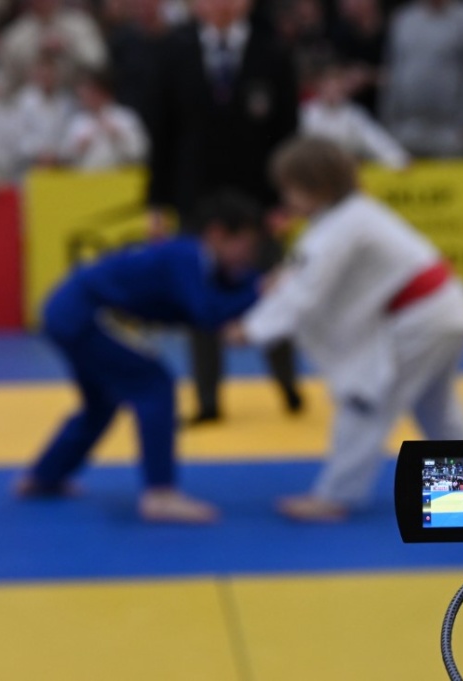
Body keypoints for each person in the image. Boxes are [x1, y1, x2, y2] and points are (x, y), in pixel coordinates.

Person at [225, 137, 463, 522]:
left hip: (423, 319)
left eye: (290, 188)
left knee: (367, 400)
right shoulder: (349, 216)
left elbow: (305, 294)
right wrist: (282, 281)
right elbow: (308, 277)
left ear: (317, 186)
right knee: (437, 411)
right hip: (442, 312)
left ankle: (335, 496)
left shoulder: (342, 226)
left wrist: (250, 329)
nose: (285, 198)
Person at [16, 193, 266, 524]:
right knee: (153, 384)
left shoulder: (198, 259)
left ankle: (43, 477)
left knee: (101, 403)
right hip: (84, 314)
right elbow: (207, 314)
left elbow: (225, 292)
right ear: (218, 234)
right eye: (246, 245)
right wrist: (260, 292)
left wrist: (258, 287)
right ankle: (160, 494)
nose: (249, 255)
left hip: (71, 310)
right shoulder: (186, 257)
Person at [146, 0, 302, 425]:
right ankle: (207, 399)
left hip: (258, 199)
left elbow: (288, 132)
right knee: (199, 300)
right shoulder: (174, 52)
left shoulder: (272, 52)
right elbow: (162, 134)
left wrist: (286, 200)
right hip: (195, 198)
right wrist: (157, 204)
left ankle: (288, 385)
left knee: (272, 290)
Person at [380, 0, 463, 158]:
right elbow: (392, 69)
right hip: (406, 129)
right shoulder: (405, 20)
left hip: (449, 131)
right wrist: (388, 120)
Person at [301, 62, 410, 169]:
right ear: (319, 87)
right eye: (328, 85)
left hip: (345, 169)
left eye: (337, 85)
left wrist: (398, 158)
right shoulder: (307, 113)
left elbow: (375, 139)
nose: (333, 90)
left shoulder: (353, 114)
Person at [0, 0, 107, 91]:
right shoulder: (15, 34)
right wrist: (35, 51)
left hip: (76, 99)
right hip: (30, 102)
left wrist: (67, 46)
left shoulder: (81, 24)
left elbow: (98, 62)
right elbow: (6, 79)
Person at [61, 71, 148, 170]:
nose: (86, 96)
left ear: (103, 92)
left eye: (91, 92)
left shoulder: (125, 117)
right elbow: (64, 157)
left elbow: (140, 152)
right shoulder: (77, 121)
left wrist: (118, 136)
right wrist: (78, 148)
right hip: (85, 178)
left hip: (118, 176)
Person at [14, 56, 75, 169]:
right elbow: (19, 135)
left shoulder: (67, 101)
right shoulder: (24, 100)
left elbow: (70, 133)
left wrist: (57, 154)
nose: (47, 79)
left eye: (50, 75)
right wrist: (39, 154)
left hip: (60, 162)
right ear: (36, 75)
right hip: (31, 162)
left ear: (57, 76)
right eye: (43, 75)